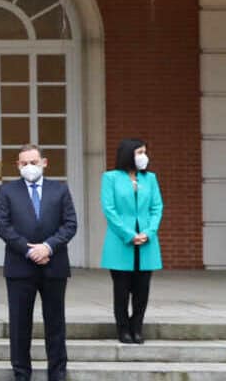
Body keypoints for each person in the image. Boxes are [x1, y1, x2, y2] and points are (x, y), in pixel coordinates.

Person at [0, 144, 78, 381]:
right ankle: (21, 373)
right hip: (20, 266)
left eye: (33, 161)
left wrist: (48, 246)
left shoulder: (59, 189)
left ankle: (57, 372)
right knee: (20, 325)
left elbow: (70, 224)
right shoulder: (7, 191)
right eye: (24, 163)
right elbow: (3, 226)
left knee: (55, 322)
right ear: (18, 165)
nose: (29, 167)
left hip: (54, 265)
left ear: (44, 162)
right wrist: (28, 250)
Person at [101, 138, 162, 344]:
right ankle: (123, 329)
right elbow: (110, 210)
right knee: (121, 290)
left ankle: (137, 327)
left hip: (146, 242)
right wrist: (129, 234)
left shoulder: (150, 178)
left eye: (145, 152)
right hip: (120, 242)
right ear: (128, 154)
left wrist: (149, 232)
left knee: (142, 289)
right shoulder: (110, 178)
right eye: (139, 152)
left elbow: (156, 207)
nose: (143, 156)